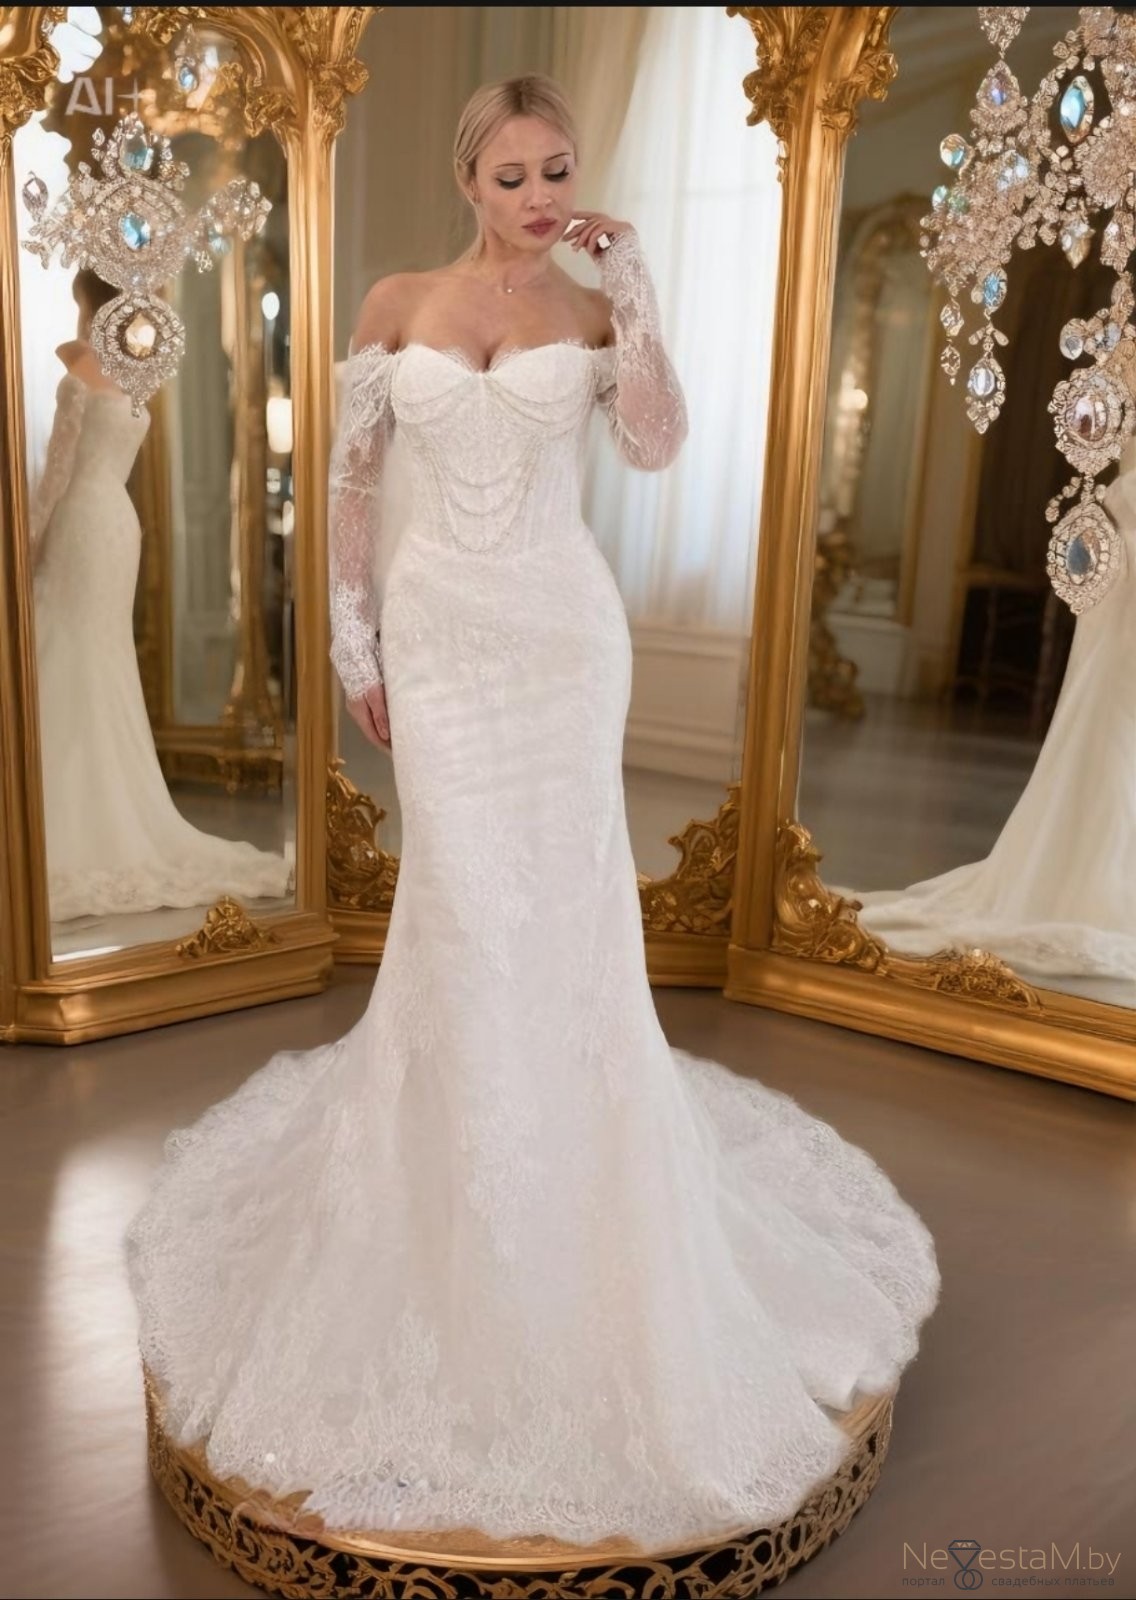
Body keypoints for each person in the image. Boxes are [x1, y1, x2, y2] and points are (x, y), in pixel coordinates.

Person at [126, 76, 940, 1549]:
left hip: (564, 641)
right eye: (512, 176)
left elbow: (658, 444)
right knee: (461, 904)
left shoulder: (588, 309)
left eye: (557, 169)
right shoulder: (396, 301)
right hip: (443, 642)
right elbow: (351, 486)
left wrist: (637, 294)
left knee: (560, 909)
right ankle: (447, 1191)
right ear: (468, 178)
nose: (540, 198)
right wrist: (355, 645)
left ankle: (583, 1201)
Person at [31, 268, 293, 923]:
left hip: (82, 521)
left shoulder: (80, 369)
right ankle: (106, 804)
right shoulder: (135, 372)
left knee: (68, 649)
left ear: (88, 302)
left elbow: (57, 474)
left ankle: (64, 815)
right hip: (119, 524)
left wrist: (25, 542)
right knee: (100, 656)